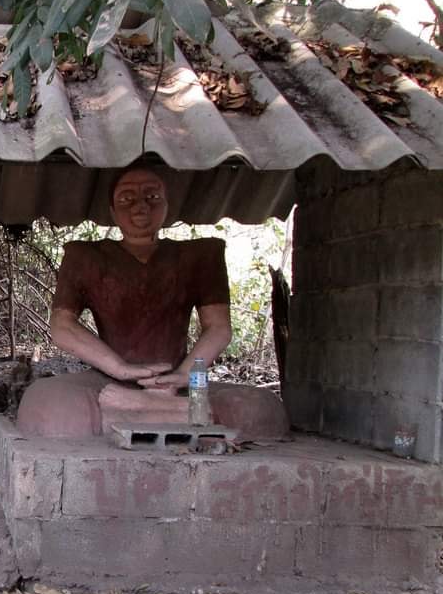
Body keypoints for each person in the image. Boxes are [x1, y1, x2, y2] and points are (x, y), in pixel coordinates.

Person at [16, 165, 289, 440]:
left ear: (167, 206)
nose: (140, 208)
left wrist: (184, 375)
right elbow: (63, 327)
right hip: (110, 380)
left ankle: (139, 409)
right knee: (46, 403)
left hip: (178, 381)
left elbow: (218, 328)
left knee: (261, 407)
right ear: (112, 212)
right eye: (127, 199)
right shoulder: (85, 256)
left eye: (152, 198)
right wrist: (121, 369)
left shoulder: (199, 255)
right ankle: (182, 413)